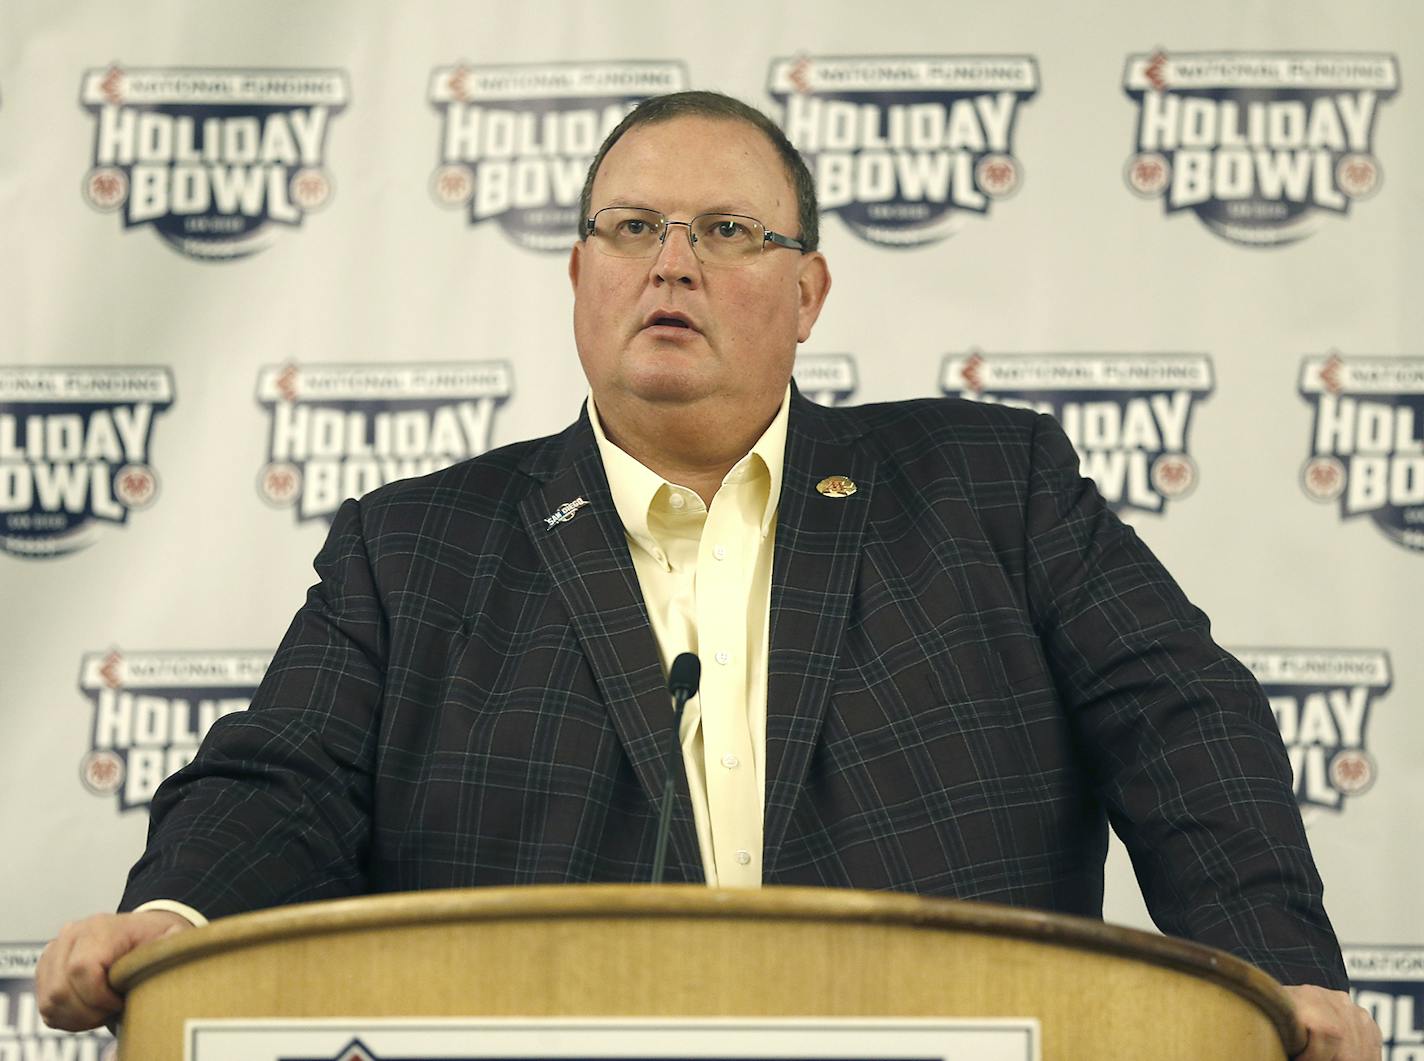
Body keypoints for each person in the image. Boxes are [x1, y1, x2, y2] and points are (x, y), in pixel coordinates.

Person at [39, 91, 1380, 1058]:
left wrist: (1276, 973)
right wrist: (177, 912)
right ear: (576, 277)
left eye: (728, 231)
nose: (672, 259)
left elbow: (1180, 718)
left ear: (808, 294)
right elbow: (282, 779)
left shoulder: (994, 488)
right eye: (632, 227)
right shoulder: (416, 545)